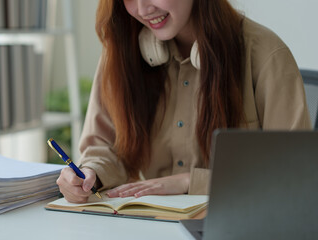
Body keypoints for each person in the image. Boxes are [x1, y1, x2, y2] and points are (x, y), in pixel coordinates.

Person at [56, 0, 311, 203]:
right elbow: (104, 147)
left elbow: (292, 174)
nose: (143, 8)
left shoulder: (266, 55)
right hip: (147, 226)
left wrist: (191, 182)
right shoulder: (121, 53)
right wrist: (90, 174)